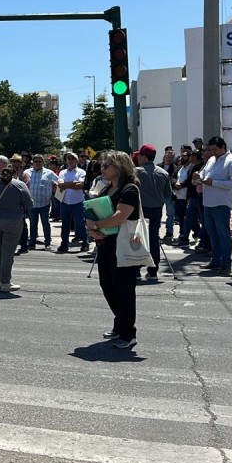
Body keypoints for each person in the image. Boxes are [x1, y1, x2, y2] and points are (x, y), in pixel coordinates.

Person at [85, 150, 142, 349]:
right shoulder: (106, 187)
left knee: (123, 289)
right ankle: (120, 325)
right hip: (105, 244)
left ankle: (128, 333)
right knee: (107, 285)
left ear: (119, 168)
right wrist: (91, 228)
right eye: (102, 165)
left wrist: (96, 226)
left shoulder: (129, 189)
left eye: (106, 165)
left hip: (122, 244)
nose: (102, 168)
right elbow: (92, 209)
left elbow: (120, 216)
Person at [0, 166, 33, 292]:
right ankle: (5, 282)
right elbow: (30, 204)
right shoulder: (19, 185)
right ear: (15, 173)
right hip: (13, 222)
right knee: (8, 253)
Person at [195, 136, 232, 273]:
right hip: (208, 203)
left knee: (223, 234)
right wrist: (198, 177)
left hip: (221, 203)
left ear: (223, 147)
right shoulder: (211, 160)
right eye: (210, 149)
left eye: (215, 149)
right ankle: (215, 260)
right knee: (212, 233)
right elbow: (203, 175)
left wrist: (213, 183)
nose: (212, 152)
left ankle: (226, 263)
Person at [135, 144, 172, 279]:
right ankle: (153, 270)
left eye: (139, 155)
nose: (138, 157)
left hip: (141, 210)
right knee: (153, 239)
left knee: (138, 238)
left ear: (144, 157)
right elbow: (168, 193)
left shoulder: (136, 172)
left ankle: (136, 269)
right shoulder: (163, 173)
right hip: (157, 209)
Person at [23, 154, 59, 250]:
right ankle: (32, 242)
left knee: (45, 223)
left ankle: (48, 243)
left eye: (40, 161)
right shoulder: (26, 172)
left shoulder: (49, 173)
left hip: (45, 203)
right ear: (33, 162)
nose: (38, 163)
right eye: (36, 161)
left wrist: (53, 195)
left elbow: (59, 183)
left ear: (43, 162)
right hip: (32, 204)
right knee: (33, 224)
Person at [57, 152, 89, 253]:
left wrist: (66, 184)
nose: (70, 160)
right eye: (68, 158)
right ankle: (64, 244)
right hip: (65, 201)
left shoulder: (81, 172)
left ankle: (85, 243)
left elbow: (80, 186)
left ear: (77, 160)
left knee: (80, 224)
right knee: (65, 224)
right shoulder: (62, 172)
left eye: (73, 158)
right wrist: (73, 183)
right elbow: (60, 185)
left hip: (78, 201)